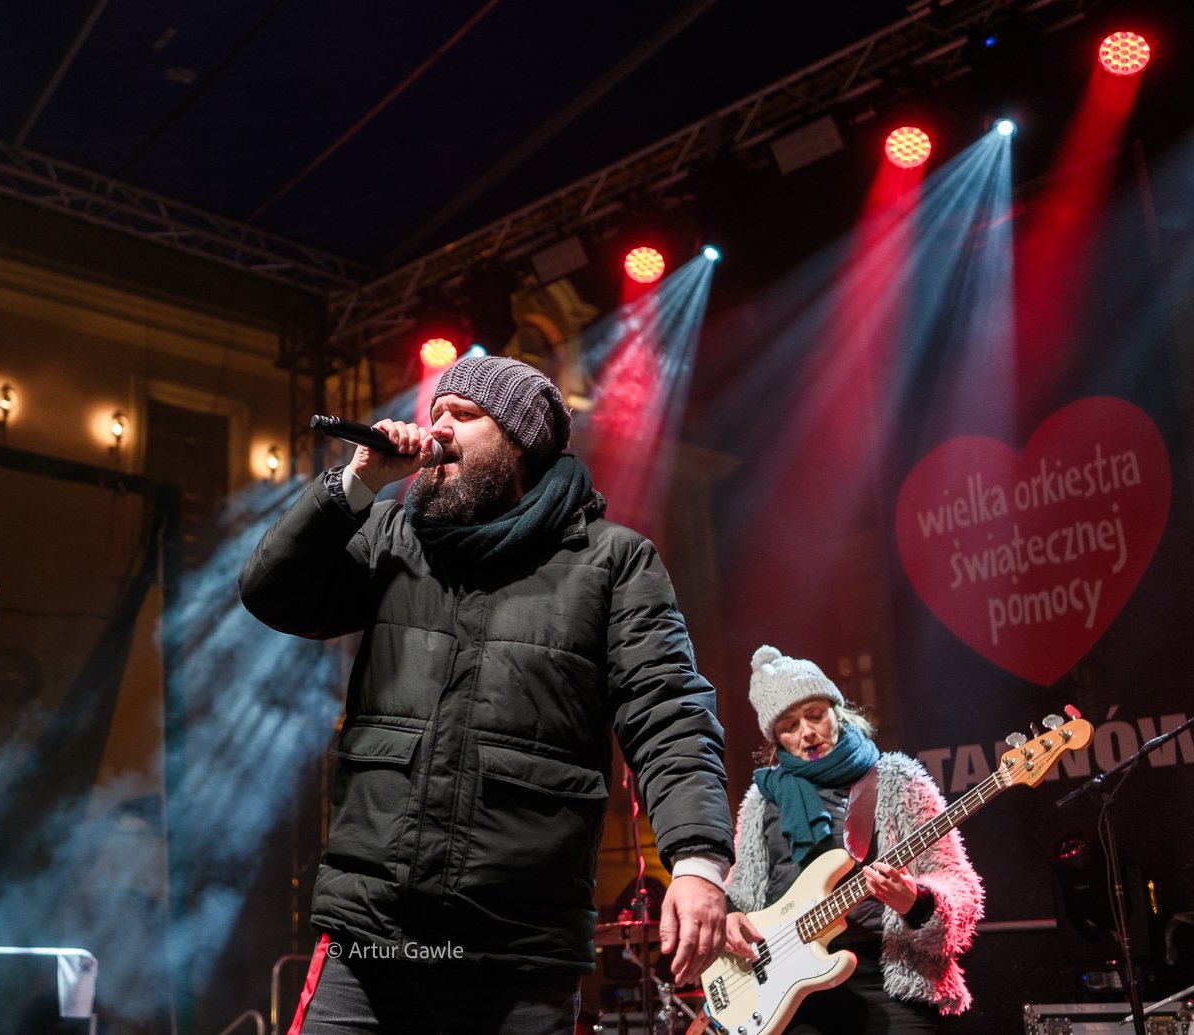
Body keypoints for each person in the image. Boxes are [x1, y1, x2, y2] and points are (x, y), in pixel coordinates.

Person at [240, 355, 735, 1035]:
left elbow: (669, 713)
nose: (437, 427)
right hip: (370, 939)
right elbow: (272, 593)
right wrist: (356, 484)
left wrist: (698, 861)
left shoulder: (611, 561)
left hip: (518, 954)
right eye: (435, 412)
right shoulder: (393, 534)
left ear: (520, 444)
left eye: (464, 415)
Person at [721, 647, 984, 1033]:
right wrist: (728, 916)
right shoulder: (762, 801)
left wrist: (917, 902)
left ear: (837, 712)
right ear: (775, 739)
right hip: (787, 994)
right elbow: (740, 892)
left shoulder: (897, 780)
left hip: (886, 982)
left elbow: (961, 888)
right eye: (789, 726)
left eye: (815, 715)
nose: (807, 733)